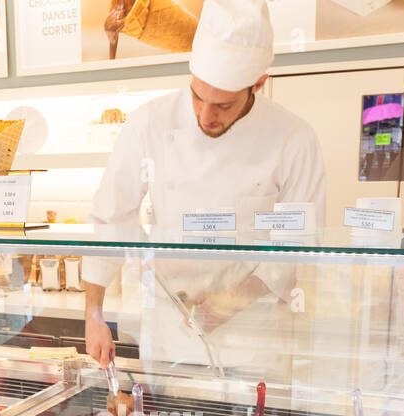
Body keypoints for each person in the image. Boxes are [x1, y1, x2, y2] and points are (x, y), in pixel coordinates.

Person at [83, 0, 326, 384]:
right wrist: (94, 314)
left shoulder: (294, 138)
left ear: (258, 83)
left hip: (252, 343)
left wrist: (230, 302)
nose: (205, 116)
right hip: (168, 337)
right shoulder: (150, 123)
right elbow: (112, 218)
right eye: (197, 96)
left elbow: (297, 243)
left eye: (223, 105)